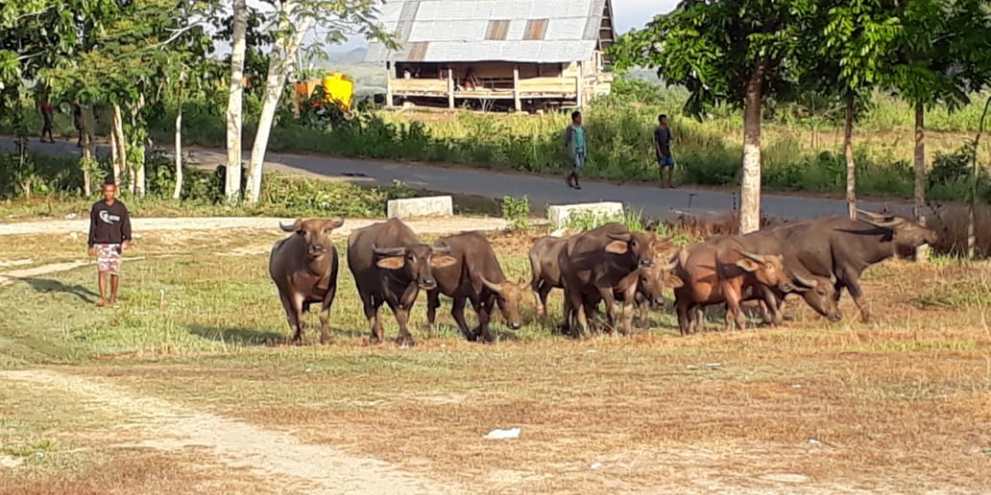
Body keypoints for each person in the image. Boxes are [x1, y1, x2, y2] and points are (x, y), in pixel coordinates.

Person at [87, 182, 132, 307]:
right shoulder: (97, 207)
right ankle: (102, 298)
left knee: (114, 272)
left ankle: (113, 297)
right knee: (102, 271)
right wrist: (91, 244)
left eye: (111, 191)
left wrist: (127, 239)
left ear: (115, 191)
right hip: (101, 244)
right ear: (103, 191)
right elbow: (93, 226)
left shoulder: (120, 207)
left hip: (115, 244)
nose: (108, 193)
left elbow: (126, 225)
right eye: (106, 191)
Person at [564, 111, 587, 190]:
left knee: (580, 166)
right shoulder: (570, 128)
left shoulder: (582, 128)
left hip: (581, 149)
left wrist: (585, 150)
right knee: (577, 166)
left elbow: (583, 139)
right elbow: (567, 139)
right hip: (574, 150)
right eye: (579, 117)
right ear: (575, 118)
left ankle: (569, 178)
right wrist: (568, 148)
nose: (580, 119)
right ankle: (577, 183)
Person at [654, 114, 675, 188]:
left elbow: (671, 138)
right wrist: (659, 152)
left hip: (667, 150)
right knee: (662, 166)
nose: (666, 120)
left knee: (671, 164)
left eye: (666, 119)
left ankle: (669, 182)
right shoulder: (657, 130)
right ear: (660, 120)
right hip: (661, 150)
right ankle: (662, 182)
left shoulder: (667, 128)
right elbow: (656, 142)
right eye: (664, 119)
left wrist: (670, 130)